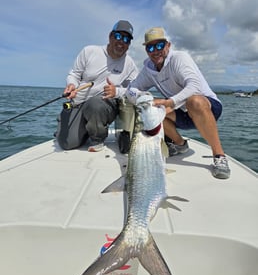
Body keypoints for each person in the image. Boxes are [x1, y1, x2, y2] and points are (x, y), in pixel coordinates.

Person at [126, 27, 230, 179]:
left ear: (168, 45)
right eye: (150, 47)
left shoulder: (179, 58)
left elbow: (194, 85)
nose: (155, 51)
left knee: (194, 101)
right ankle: (180, 145)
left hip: (207, 107)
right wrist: (142, 96)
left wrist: (170, 103)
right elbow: (130, 89)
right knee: (153, 107)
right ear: (146, 50)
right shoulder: (148, 69)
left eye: (159, 45)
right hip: (181, 112)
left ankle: (219, 155)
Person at [56, 20, 138, 152]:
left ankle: (97, 138)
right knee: (67, 143)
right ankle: (80, 128)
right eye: (118, 36)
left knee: (95, 104)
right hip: (78, 104)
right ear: (110, 36)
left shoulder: (130, 64)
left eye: (127, 39)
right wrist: (71, 85)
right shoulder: (89, 51)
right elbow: (75, 74)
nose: (122, 42)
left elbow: (135, 90)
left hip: (102, 106)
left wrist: (117, 91)